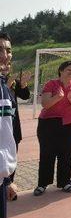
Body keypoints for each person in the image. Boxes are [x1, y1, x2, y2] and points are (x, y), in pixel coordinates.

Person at [34, 60, 71, 196]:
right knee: (47, 153)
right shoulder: (51, 84)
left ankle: (65, 182)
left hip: (69, 124)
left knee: (66, 153)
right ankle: (42, 184)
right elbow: (45, 104)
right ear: (61, 71)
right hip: (48, 123)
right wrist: (58, 97)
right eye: (69, 69)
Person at [0, 32, 17, 218]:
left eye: (8, 50)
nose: (5, 56)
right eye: (0, 50)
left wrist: (7, 179)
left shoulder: (4, 87)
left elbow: (6, 137)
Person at [5, 66, 30, 201]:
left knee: (11, 158)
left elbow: (25, 96)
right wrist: (6, 87)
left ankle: (9, 187)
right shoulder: (6, 83)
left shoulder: (11, 81)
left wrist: (24, 84)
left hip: (13, 127)